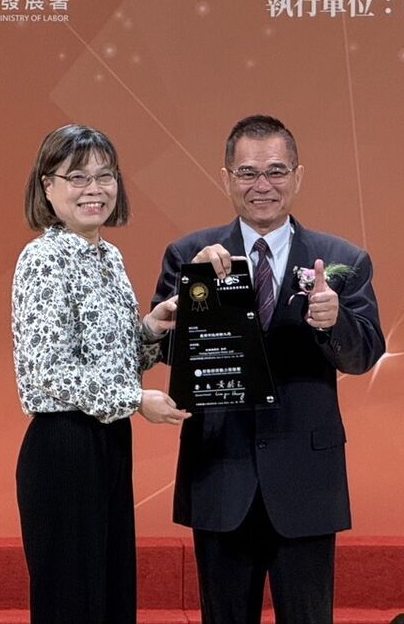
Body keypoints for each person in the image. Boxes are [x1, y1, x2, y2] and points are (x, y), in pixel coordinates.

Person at [151, 114, 384, 624]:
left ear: (298, 176)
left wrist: (335, 321)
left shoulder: (341, 258)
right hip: (220, 474)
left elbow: (365, 353)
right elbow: (166, 351)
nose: (263, 185)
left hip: (307, 481)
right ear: (226, 178)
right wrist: (198, 299)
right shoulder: (190, 255)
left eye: (276, 171)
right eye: (248, 173)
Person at [12, 124, 189, 624]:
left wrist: (150, 328)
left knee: (110, 595)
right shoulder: (43, 258)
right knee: (73, 603)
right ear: (48, 186)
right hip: (64, 446)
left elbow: (108, 358)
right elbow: (49, 370)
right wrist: (134, 400)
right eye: (77, 177)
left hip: (109, 441)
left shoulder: (108, 256)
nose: (94, 189)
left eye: (104, 176)